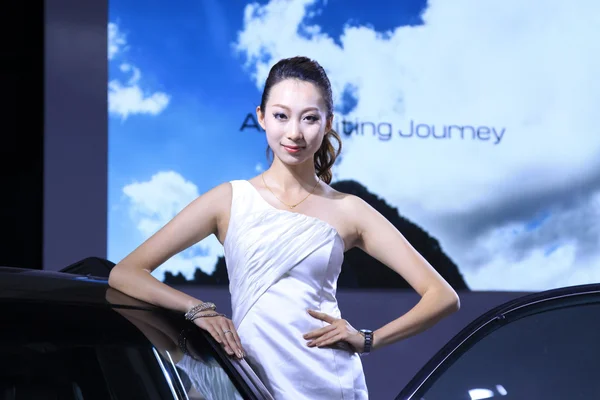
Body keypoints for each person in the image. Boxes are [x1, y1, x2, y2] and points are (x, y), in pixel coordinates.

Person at [108, 56, 460, 399]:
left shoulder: (349, 209)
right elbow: (125, 273)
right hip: (253, 377)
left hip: (327, 380)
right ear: (261, 117)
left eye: (309, 118)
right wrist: (198, 309)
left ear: (328, 123)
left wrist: (370, 339)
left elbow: (442, 296)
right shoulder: (228, 200)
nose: (294, 133)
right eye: (281, 116)